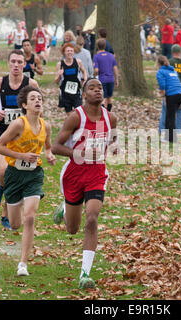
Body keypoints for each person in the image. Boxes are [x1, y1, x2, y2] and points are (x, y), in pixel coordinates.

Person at [51, 77, 118, 289]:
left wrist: (113, 148)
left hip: (97, 174)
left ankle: (85, 274)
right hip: (74, 175)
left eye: (100, 87)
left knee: (92, 219)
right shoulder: (75, 117)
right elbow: (55, 147)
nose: (97, 90)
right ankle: (65, 205)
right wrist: (79, 152)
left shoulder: (111, 118)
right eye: (92, 88)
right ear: (84, 95)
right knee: (72, 229)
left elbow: (112, 141)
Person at [0, 85, 56, 276]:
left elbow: (47, 147)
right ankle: (6, 204)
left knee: (30, 217)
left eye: (40, 98)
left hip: (34, 176)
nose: (38, 101)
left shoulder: (46, 126)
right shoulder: (18, 124)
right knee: (15, 225)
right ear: (24, 105)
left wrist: (49, 155)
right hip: (14, 174)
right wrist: (19, 156)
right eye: (33, 99)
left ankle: (23, 264)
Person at [0, 50, 39, 230]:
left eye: (19, 62)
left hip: (21, 137)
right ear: (8, 63)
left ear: (24, 64)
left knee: (14, 175)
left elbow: (39, 106)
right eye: (13, 61)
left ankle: (6, 213)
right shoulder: (0, 82)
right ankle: (0, 185)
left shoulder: (31, 84)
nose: (16, 65)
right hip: (2, 135)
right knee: (4, 170)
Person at [158, 44, 181, 134]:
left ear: (172, 52)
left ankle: (163, 130)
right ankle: (177, 132)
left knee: (166, 110)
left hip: (171, 87)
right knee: (180, 111)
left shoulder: (169, 62)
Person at [156, 55, 181, 143]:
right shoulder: (173, 71)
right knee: (171, 115)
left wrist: (163, 96)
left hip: (172, 95)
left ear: (158, 63)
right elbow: (176, 82)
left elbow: (162, 86)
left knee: (170, 117)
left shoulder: (160, 72)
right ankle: (171, 136)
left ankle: (170, 138)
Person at [55, 43, 87, 115]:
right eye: (68, 51)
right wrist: (59, 75)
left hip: (76, 91)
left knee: (78, 112)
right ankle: (73, 125)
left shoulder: (78, 62)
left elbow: (84, 71)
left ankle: (77, 125)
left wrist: (85, 80)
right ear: (64, 52)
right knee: (70, 115)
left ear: (73, 52)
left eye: (71, 51)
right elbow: (56, 81)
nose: (69, 52)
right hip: (65, 93)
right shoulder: (60, 64)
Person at [93, 39, 119, 112]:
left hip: (102, 79)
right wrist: (116, 79)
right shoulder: (111, 56)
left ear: (97, 46)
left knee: (103, 99)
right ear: (105, 46)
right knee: (110, 98)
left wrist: (94, 76)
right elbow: (115, 68)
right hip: (111, 79)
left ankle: (102, 116)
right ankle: (108, 113)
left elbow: (96, 70)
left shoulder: (96, 56)